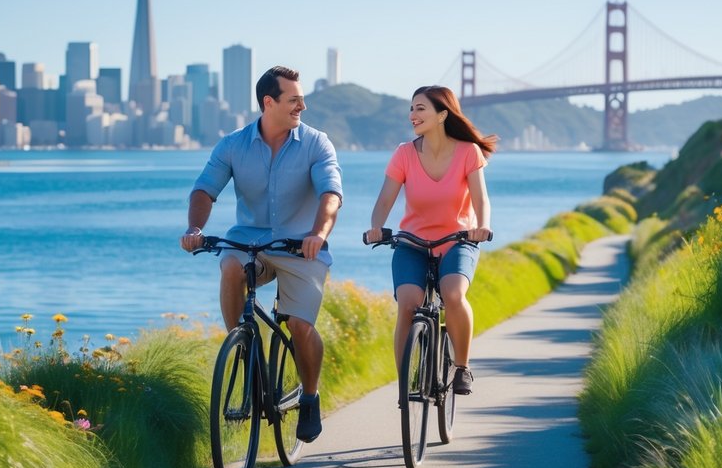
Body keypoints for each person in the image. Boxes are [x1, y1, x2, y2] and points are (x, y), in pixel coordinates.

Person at [181, 66, 342, 442]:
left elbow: (330, 195)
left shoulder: (317, 143)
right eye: (293, 99)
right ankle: (240, 345)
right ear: (268, 102)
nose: (302, 105)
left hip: (301, 247)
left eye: (301, 99)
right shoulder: (233, 145)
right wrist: (194, 229)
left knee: (300, 326)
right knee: (231, 265)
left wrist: (318, 233)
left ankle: (310, 396)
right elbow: (204, 190)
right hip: (250, 243)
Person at [363, 85, 495, 395]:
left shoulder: (467, 152)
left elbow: (481, 200)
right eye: (411, 108)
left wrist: (483, 226)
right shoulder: (404, 154)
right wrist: (376, 227)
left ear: (442, 115)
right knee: (408, 304)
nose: (413, 115)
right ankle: (403, 383)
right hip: (412, 243)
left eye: (420, 108)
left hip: (458, 239)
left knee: (453, 294)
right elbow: (384, 201)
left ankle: (461, 367)